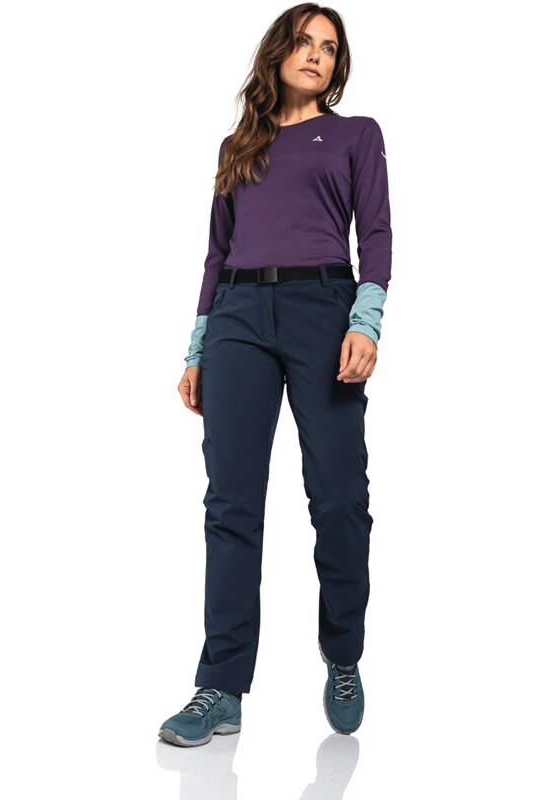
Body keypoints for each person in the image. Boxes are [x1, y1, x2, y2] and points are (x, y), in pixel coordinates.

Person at [158, 3, 392, 747]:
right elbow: (215, 253)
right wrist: (197, 347)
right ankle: (220, 686)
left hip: (322, 309)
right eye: (305, 41)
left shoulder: (356, 136)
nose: (317, 54)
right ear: (279, 51)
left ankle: (343, 655)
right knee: (230, 504)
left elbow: (376, 233)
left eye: (330, 47)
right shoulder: (239, 145)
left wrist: (365, 322)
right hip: (237, 317)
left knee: (339, 498)